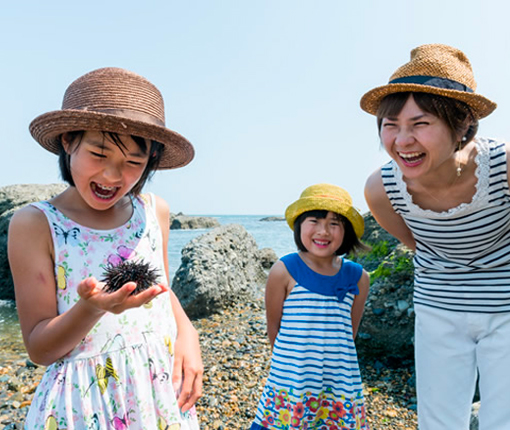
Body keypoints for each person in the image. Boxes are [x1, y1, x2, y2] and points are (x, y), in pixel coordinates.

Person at [8, 67, 203, 429]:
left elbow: (162, 292)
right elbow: (39, 348)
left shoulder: (153, 211)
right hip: (82, 402)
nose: (113, 176)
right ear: (68, 140)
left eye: (133, 162)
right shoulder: (35, 224)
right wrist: (90, 308)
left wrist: (188, 334)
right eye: (99, 153)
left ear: (151, 161)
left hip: (159, 392)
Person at [362, 44, 510, 430]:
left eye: (420, 123)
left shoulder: (504, 167)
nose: (401, 140)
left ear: (462, 123)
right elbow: (420, 243)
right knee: (438, 422)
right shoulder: (382, 189)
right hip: (439, 305)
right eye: (390, 125)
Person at [250, 184, 370, 430]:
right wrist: (294, 365)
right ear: (300, 225)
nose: (323, 231)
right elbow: (274, 329)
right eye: (314, 221)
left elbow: (350, 333)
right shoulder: (283, 270)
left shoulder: (358, 277)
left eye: (335, 223)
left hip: (339, 383)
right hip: (292, 380)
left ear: (346, 231)